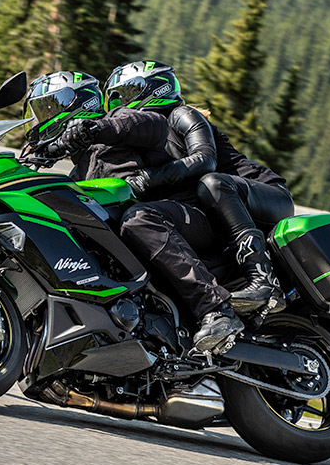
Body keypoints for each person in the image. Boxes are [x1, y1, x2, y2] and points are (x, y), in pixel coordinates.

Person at [23, 71, 242, 354]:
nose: (43, 117)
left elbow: (145, 124)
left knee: (137, 218)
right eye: (40, 110)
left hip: (191, 216)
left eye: (49, 107)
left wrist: (93, 128)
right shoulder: (81, 170)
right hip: (160, 230)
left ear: (77, 103)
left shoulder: (124, 123)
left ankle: (216, 309)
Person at [104, 61, 294, 315]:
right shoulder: (148, 138)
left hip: (267, 194)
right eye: (114, 99)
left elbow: (205, 160)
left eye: (127, 93)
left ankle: (264, 279)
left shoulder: (181, 115)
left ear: (154, 89)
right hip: (226, 206)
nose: (120, 106)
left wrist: (148, 178)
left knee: (212, 183)